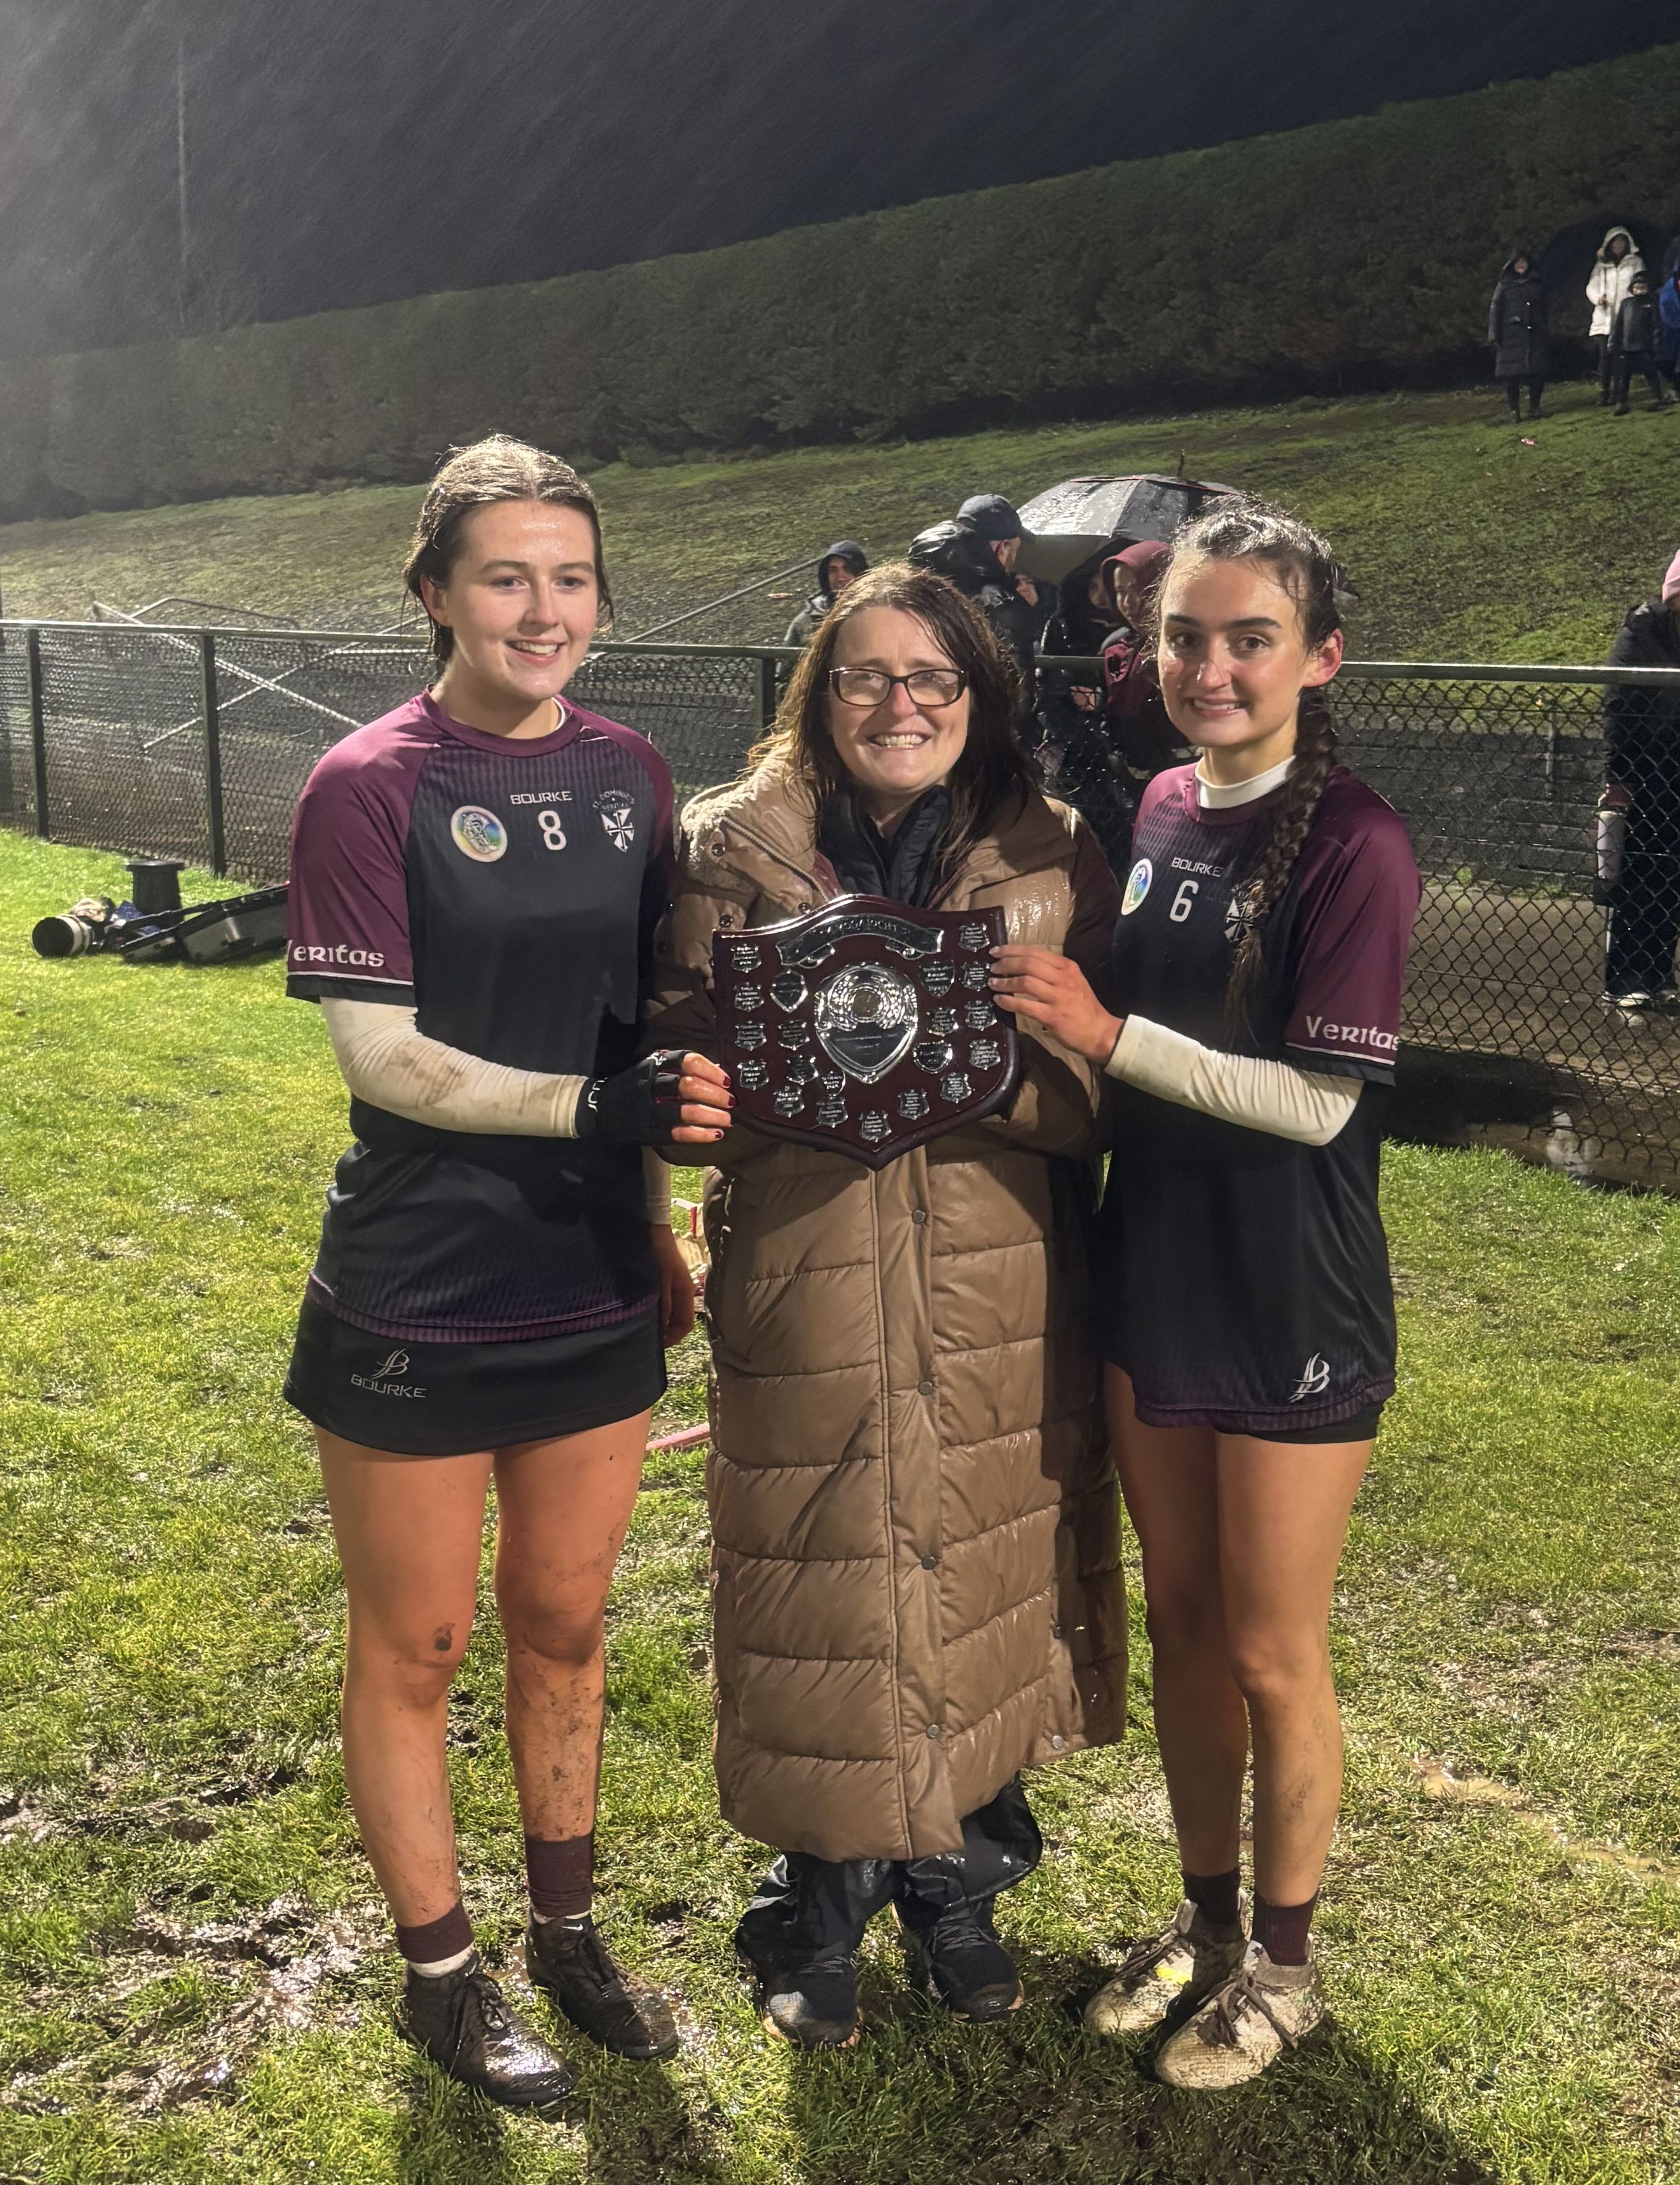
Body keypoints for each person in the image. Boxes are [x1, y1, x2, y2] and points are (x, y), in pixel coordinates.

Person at [281, 434, 734, 2109]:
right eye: (503, 577)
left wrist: (666, 1204)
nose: (541, 609)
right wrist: (587, 1110)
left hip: (594, 1272)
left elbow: (649, 1028)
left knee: (565, 1622)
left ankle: (564, 1929)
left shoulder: (631, 773)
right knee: (416, 1646)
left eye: (569, 578)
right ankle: (441, 1975)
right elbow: (386, 1062)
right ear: (433, 595)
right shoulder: (364, 784)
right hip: (421, 1277)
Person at [646, 562, 1126, 2050]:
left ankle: (963, 1879)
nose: (898, 703)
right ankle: (824, 1893)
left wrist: (1041, 1057)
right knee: (824, 1582)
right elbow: (674, 1054)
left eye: (933, 677)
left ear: (978, 696)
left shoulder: (1053, 851)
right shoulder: (727, 848)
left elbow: (1105, 1094)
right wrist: (698, 1093)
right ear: (817, 689)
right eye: (864, 674)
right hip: (807, 1268)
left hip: (998, 1275)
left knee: (980, 1576)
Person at [990, 499, 1421, 2090]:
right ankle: (1210, 1921)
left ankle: (1287, 1969)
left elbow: (1317, 1103)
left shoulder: (1357, 838)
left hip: (1289, 1295)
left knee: (1266, 1645)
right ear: (1146, 647)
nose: (1213, 666)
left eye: (1251, 638)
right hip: (1151, 1273)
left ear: (1319, 656)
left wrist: (1105, 1036)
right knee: (1177, 1628)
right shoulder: (1163, 803)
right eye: (1187, 635)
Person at [1600, 549, 1680, 1014]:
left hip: (1676, 765)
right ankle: (1626, 976)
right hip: (1644, 766)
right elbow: (1619, 706)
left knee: (1672, 876)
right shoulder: (1642, 631)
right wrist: (1617, 777)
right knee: (1641, 874)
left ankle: (1656, 973)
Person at [1036, 557, 1131, 866]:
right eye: (1094, 586)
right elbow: (1050, 692)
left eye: (1111, 588)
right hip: (1081, 750)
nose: (1102, 596)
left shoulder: (1134, 629)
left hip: (1128, 749)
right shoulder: (1065, 625)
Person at [908, 495, 1044, 708]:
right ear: (1004, 548)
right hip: (981, 729)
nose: (1014, 561)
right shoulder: (999, 603)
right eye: (1014, 552)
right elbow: (1017, 691)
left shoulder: (923, 585)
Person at [1099, 541, 1194, 819]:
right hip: (1134, 784)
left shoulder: (1191, 645)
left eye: (1139, 589)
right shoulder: (1117, 649)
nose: (1129, 603)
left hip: (1189, 781)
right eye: (1120, 592)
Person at [1487, 251, 1549, 421]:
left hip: (1534, 334)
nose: (1521, 265)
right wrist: (1494, 335)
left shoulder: (1536, 283)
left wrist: (1545, 328)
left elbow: (1544, 308)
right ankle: (1514, 411)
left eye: (1524, 262)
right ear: (1512, 265)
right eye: (1518, 262)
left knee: (1538, 373)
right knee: (1511, 376)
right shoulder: (1504, 285)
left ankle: (1534, 408)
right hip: (1510, 336)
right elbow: (1495, 310)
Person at [1588, 226, 1644, 404]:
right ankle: (1603, 392)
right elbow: (1592, 286)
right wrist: (1598, 298)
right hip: (1605, 318)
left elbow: (1641, 283)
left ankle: (1618, 392)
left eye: (1622, 241)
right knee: (1605, 357)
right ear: (1610, 245)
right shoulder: (1602, 266)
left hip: (1627, 318)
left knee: (1621, 357)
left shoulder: (1635, 262)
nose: (1618, 245)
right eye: (1615, 242)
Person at [1608, 273, 1673, 416]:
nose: (1640, 290)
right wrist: (1613, 342)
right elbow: (1618, 325)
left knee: (1651, 374)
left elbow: (1657, 325)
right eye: (1637, 287)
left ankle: (1658, 398)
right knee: (1623, 377)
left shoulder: (1651, 304)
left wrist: (1656, 344)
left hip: (1644, 346)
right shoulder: (1626, 304)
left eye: (1643, 287)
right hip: (1626, 347)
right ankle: (1621, 403)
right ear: (1632, 288)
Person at [784, 541, 869, 647]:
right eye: (833, 571)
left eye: (848, 570)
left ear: (861, 574)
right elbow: (785, 661)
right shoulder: (805, 623)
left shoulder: (882, 613)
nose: (840, 578)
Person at [1658, 264, 1680, 399]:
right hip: (1673, 333)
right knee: (1670, 362)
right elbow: (1665, 309)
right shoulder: (1669, 288)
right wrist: (1676, 323)